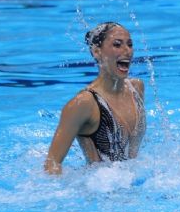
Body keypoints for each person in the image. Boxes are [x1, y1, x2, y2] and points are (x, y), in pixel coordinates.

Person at [44, 22, 146, 175]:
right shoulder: (84, 103)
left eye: (130, 45)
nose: (127, 51)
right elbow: (52, 164)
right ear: (97, 51)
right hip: (100, 192)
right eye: (117, 45)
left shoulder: (136, 88)